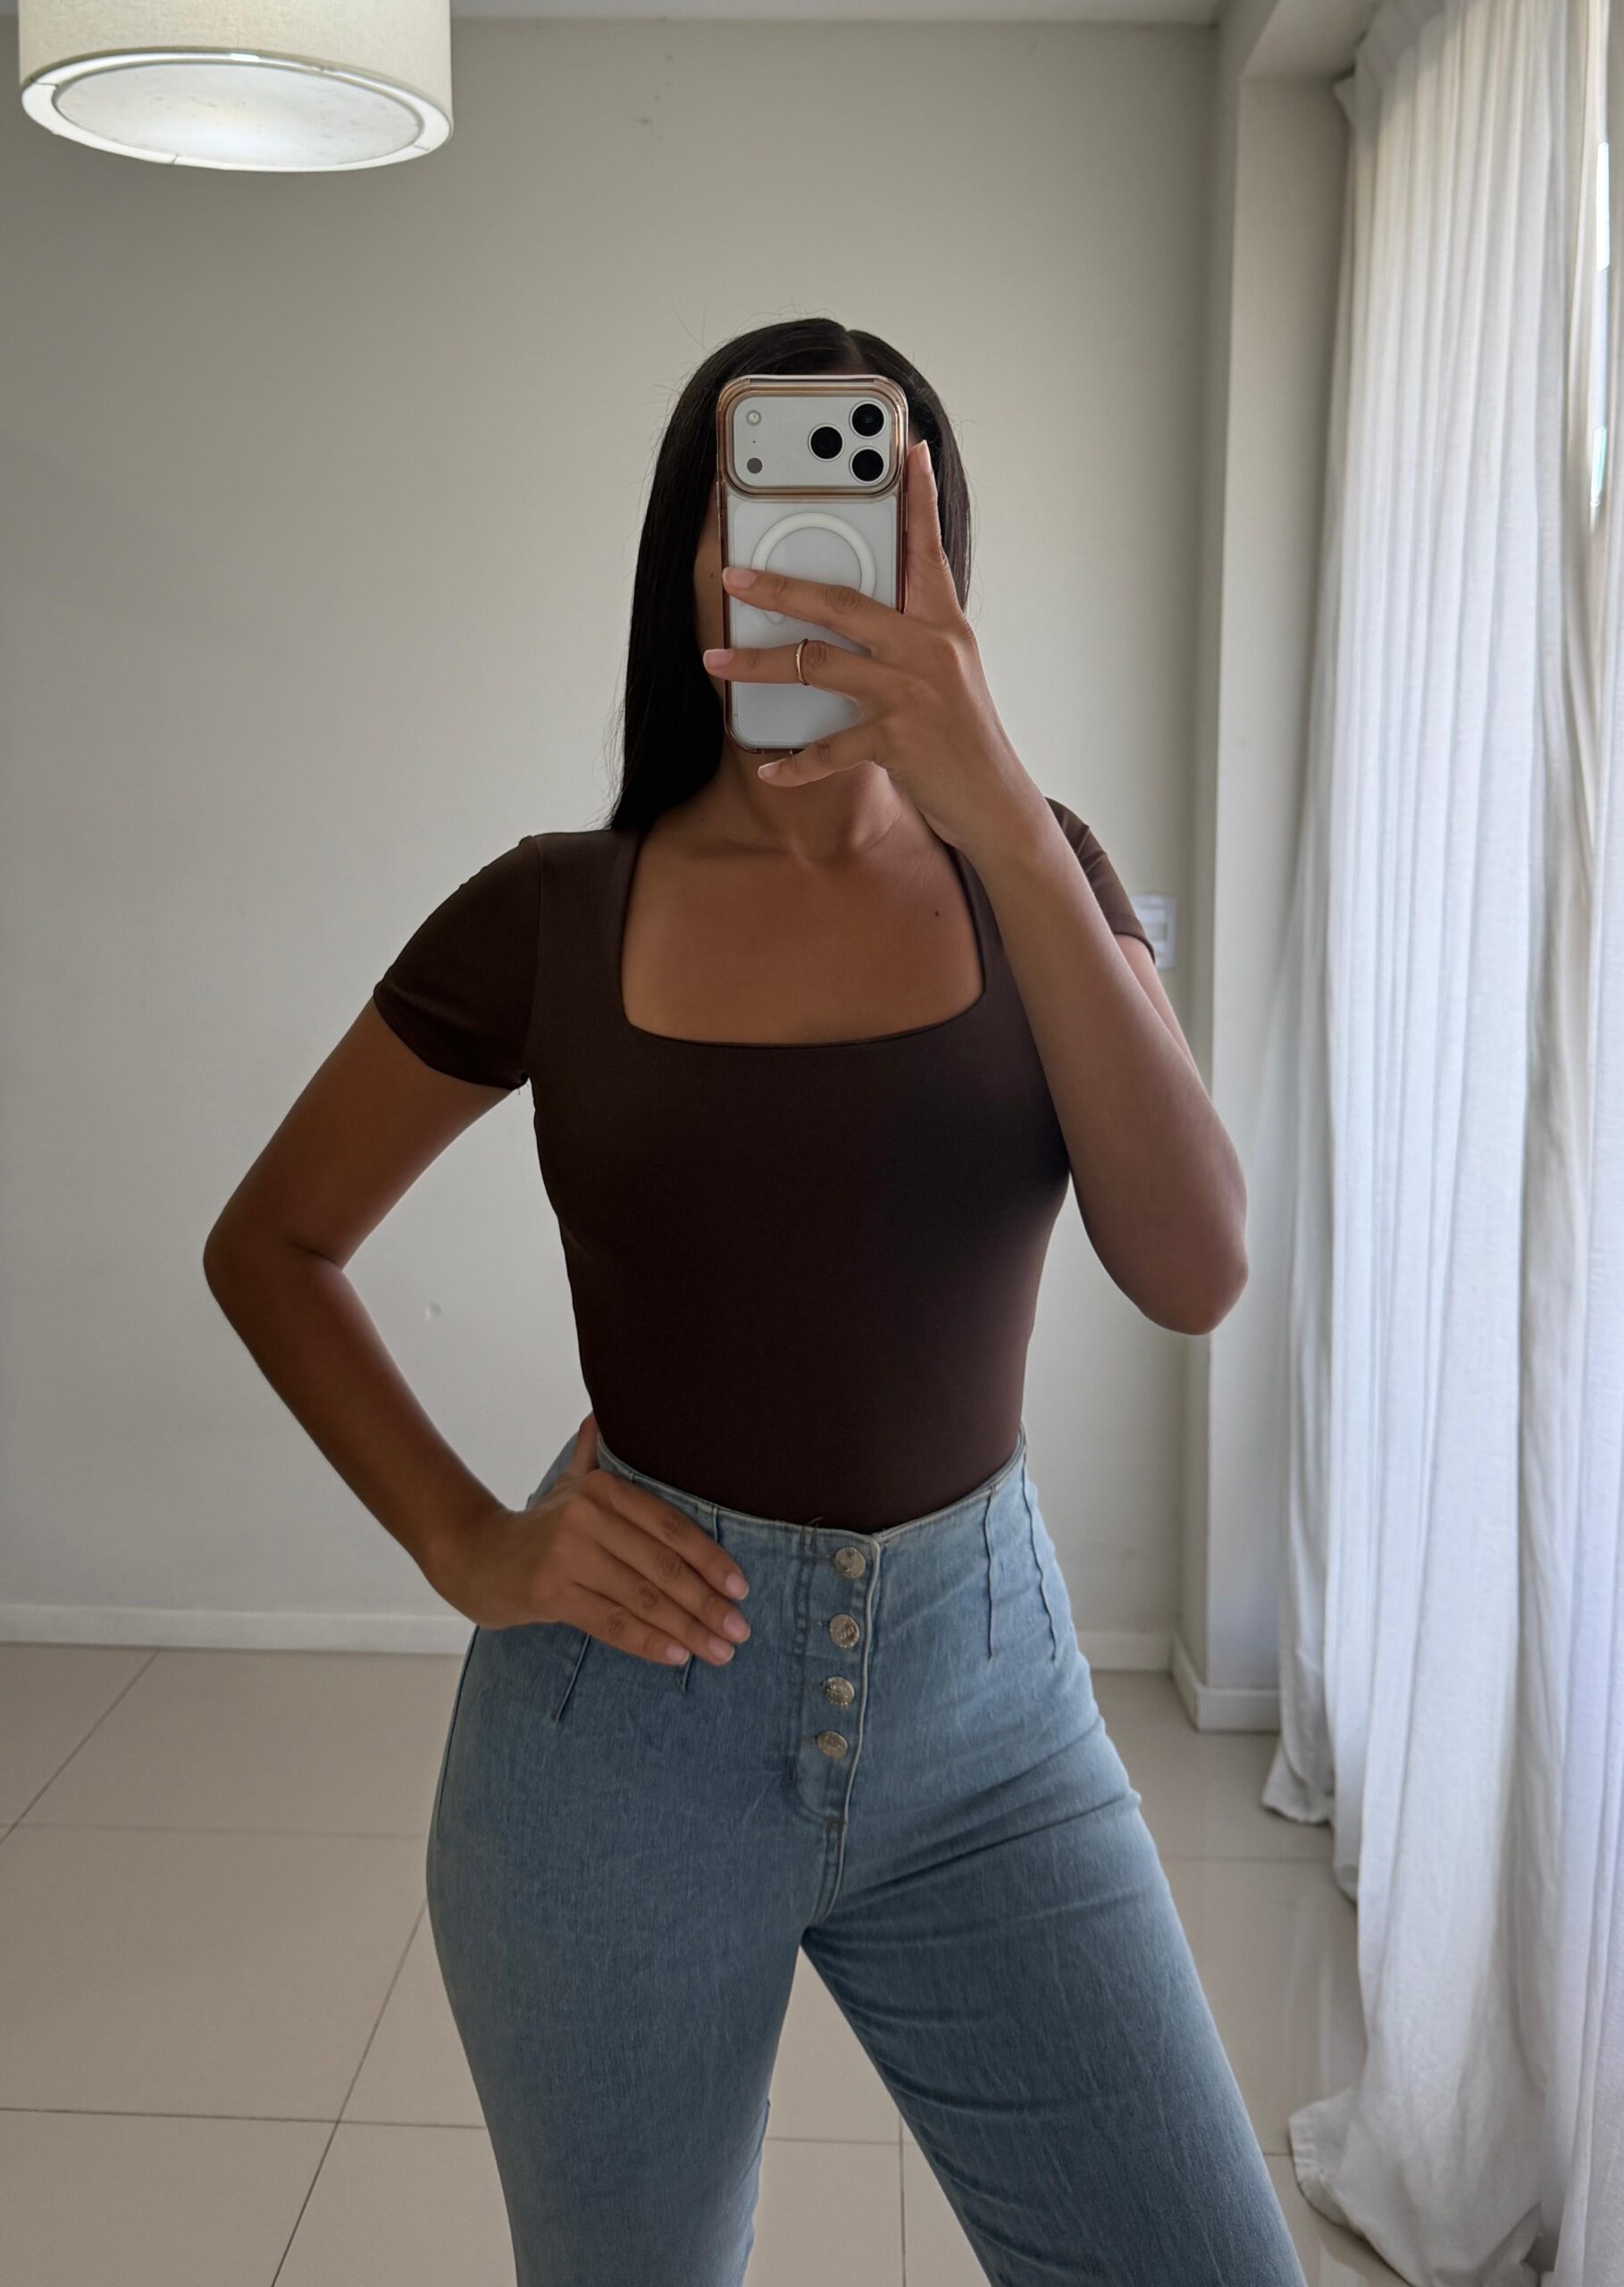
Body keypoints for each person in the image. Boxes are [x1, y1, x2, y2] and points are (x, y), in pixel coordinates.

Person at [204, 320, 1306, 2287]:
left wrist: (1005, 813)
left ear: (940, 574)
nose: (808, 557)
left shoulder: (1040, 875)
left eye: (872, 512)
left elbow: (1196, 1264)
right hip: (618, 1745)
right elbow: (272, 1241)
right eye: (759, 505)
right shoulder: (554, 910)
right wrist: (467, 1539)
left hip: (993, 1725)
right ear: (690, 560)